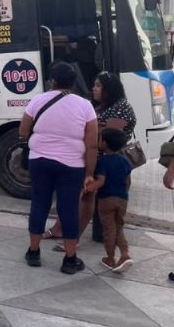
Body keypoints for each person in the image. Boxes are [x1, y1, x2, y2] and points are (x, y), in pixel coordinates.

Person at [44, 71, 136, 250]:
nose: (93, 89)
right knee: (75, 196)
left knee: (86, 198)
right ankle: (59, 230)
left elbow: (106, 136)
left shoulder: (122, 108)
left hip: (103, 162)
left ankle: (73, 238)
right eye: (94, 85)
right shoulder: (102, 106)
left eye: (98, 85)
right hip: (90, 157)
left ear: (110, 89)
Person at [21, 62, 98, 275]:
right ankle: (70, 259)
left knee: (39, 204)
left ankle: (34, 252)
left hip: (40, 161)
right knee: (68, 209)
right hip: (72, 165)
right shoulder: (85, 105)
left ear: (52, 80)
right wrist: (90, 173)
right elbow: (92, 143)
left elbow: (23, 129)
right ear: (73, 83)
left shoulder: (37, 100)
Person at [85, 127, 133, 272]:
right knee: (119, 227)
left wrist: (87, 188)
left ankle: (110, 259)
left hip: (106, 199)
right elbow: (128, 181)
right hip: (122, 198)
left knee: (108, 229)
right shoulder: (125, 160)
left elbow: (101, 181)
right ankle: (125, 254)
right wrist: (124, 194)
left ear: (104, 143)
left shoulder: (103, 161)